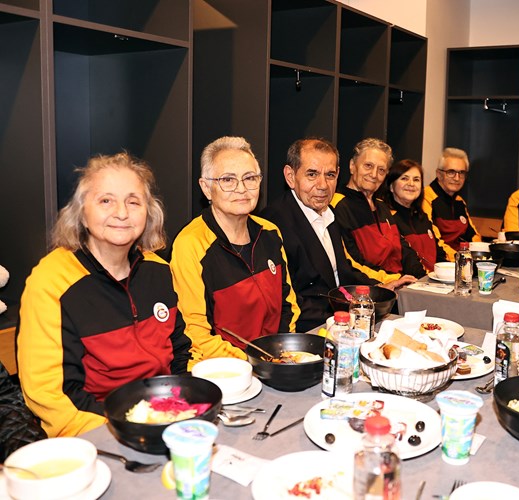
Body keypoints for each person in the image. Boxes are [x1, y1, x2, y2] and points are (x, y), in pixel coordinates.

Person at [17, 152, 198, 437]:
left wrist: (187, 408)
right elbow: (52, 397)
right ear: (81, 213)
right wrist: (128, 430)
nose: (122, 213)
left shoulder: (159, 271)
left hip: (169, 419)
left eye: (133, 201)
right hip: (99, 434)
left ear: (149, 212)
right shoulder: (51, 282)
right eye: (106, 201)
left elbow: (180, 353)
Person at [261, 138, 415, 332]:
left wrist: (380, 287)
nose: (323, 185)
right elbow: (284, 301)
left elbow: (342, 270)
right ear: (290, 176)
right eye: (312, 174)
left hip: (340, 319)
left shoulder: (329, 213)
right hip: (309, 328)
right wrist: (346, 322)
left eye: (330, 175)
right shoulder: (272, 224)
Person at [171, 136, 299, 358]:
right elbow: (196, 334)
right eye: (228, 180)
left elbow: (288, 305)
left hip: (277, 360)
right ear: (206, 188)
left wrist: (283, 353)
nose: (241, 189)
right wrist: (253, 362)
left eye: (249, 178)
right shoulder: (190, 244)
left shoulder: (270, 232)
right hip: (226, 369)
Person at [331, 138, 425, 278]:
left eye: (381, 170)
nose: (374, 175)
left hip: (398, 282)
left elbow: (404, 250)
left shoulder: (382, 206)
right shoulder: (337, 206)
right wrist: (394, 280)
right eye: (368, 166)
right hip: (371, 286)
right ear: (352, 165)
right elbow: (352, 263)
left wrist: (422, 279)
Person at [382, 159, 447, 273]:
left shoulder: (423, 218)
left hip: (434, 279)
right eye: (404, 178)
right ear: (391, 186)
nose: (411, 184)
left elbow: (440, 255)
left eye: (416, 179)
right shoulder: (387, 219)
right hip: (410, 280)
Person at [422, 147, 481, 260]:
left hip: (460, 260)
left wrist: (478, 252)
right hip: (440, 261)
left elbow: (473, 235)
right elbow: (433, 241)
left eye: (461, 173)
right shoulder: (426, 198)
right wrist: (461, 258)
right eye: (451, 172)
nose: (457, 178)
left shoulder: (459, 201)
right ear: (439, 174)